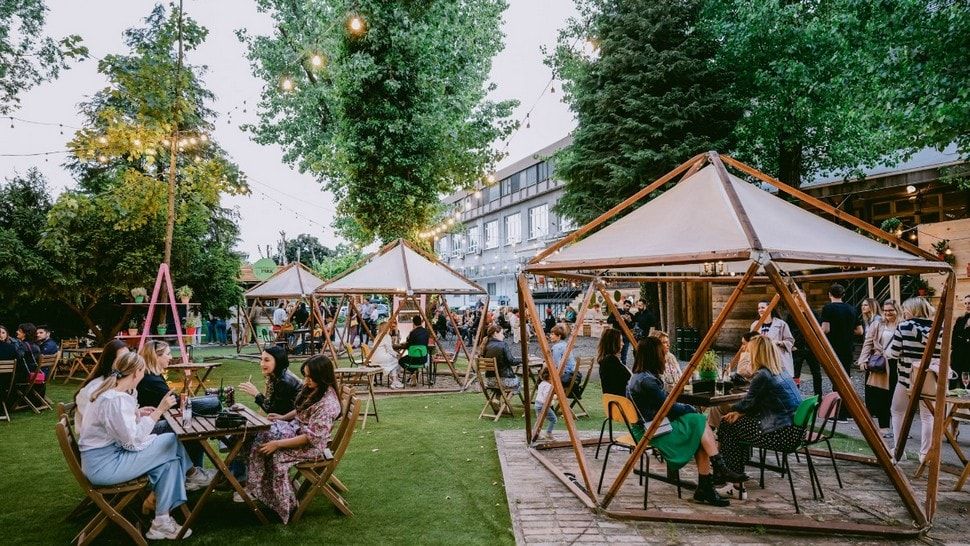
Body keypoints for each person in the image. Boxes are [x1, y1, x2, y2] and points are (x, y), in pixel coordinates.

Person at [77, 352, 192, 540]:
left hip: (103, 459)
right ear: (137, 372)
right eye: (143, 371)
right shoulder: (116, 399)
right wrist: (160, 411)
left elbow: (116, 426)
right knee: (171, 439)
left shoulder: (111, 393)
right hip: (105, 467)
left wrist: (137, 413)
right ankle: (191, 474)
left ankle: (161, 521)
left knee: (168, 463)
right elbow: (131, 441)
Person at [627, 337, 747, 506]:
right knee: (697, 419)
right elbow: (670, 408)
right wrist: (690, 408)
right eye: (662, 353)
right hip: (653, 431)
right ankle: (718, 469)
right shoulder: (648, 382)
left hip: (650, 425)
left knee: (699, 430)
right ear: (654, 356)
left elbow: (665, 406)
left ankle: (706, 486)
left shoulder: (640, 376)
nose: (665, 355)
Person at [244, 355, 342, 522]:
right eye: (305, 375)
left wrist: (277, 444)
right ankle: (263, 491)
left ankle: (284, 505)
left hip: (311, 446)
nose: (305, 381)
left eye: (310, 377)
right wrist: (283, 418)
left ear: (322, 377)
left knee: (273, 452)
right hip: (298, 432)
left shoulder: (328, 405)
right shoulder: (317, 389)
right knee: (260, 434)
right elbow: (301, 410)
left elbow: (311, 438)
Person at [716, 336, 804, 481]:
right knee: (735, 422)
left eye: (750, 352)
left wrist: (734, 409)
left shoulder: (763, 375)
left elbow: (747, 403)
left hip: (781, 433)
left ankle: (731, 476)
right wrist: (740, 412)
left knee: (727, 423)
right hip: (796, 431)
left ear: (758, 354)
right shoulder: (781, 371)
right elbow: (755, 404)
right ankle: (733, 469)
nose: (748, 355)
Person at [136, 341, 212, 488]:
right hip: (150, 428)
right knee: (201, 418)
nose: (171, 357)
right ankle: (193, 475)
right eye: (168, 354)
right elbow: (174, 401)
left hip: (153, 422)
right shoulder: (150, 379)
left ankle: (194, 473)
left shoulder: (151, 376)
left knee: (193, 425)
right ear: (156, 356)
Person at [888, 297, 941, 463]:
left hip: (906, 377)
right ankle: (925, 454)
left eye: (905, 309)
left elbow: (893, 353)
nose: (903, 312)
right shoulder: (939, 328)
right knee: (928, 417)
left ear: (912, 310)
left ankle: (899, 450)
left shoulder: (904, 326)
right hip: (930, 378)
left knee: (897, 412)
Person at [858, 299, 899, 440]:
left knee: (897, 397)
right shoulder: (877, 324)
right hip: (881, 363)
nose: (887, 313)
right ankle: (884, 427)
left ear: (896, 310)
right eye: (885, 310)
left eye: (890, 310)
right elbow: (868, 343)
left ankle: (899, 428)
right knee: (882, 396)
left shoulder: (902, 324)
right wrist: (863, 360)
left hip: (898, 364)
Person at [73, 339, 129, 432]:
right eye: (122, 359)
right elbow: (106, 424)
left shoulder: (119, 383)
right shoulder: (97, 387)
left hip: (110, 437)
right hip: (98, 440)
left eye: (128, 357)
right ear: (110, 361)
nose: (128, 362)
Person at [238, 346, 302, 415]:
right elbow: (269, 404)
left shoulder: (284, 382)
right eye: (261, 359)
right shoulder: (276, 374)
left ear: (278, 361)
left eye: (267, 360)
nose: (262, 364)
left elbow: (273, 411)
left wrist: (256, 394)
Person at [786, 289, 822, 397]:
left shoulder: (812, 313)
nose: (798, 300)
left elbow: (818, 329)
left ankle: (818, 395)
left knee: (816, 373)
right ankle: (795, 396)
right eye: (796, 298)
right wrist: (792, 345)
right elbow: (789, 331)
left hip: (812, 347)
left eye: (801, 297)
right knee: (795, 374)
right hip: (798, 347)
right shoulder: (791, 315)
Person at [751, 301, 795, 376]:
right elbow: (751, 341)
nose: (760, 310)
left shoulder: (781, 324)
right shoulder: (755, 325)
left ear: (770, 309)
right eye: (758, 308)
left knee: (778, 379)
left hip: (776, 358)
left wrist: (779, 342)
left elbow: (790, 341)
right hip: (761, 358)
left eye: (762, 307)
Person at [478, 324, 521, 393]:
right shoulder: (503, 344)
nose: (503, 336)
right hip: (503, 381)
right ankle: (505, 402)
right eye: (501, 333)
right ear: (495, 333)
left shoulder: (485, 345)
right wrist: (522, 359)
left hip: (490, 381)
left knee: (501, 385)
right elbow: (512, 361)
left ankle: (497, 399)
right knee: (518, 380)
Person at [370, 320, 404, 388]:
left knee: (394, 360)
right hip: (381, 358)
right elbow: (390, 350)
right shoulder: (386, 336)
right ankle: (394, 380)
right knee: (396, 360)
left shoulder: (378, 336)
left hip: (374, 358)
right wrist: (396, 354)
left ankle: (394, 379)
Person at [597, 328, 629, 396]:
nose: (623, 344)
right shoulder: (610, 361)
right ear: (613, 343)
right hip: (621, 402)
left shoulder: (608, 360)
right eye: (620, 341)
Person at [950, 295, 970, 390]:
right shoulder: (960, 320)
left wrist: (962, 339)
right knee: (953, 385)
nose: (967, 305)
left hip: (968, 358)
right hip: (957, 357)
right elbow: (953, 339)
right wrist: (965, 340)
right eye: (965, 303)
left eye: (969, 303)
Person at [607, 300, 636, 365]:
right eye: (627, 306)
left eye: (629, 306)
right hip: (617, 336)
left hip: (626, 336)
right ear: (623, 305)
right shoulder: (616, 312)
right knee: (614, 352)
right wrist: (618, 319)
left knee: (624, 354)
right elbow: (608, 320)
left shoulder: (631, 315)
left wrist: (630, 321)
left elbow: (632, 327)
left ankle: (623, 368)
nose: (628, 308)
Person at [534, 367, 556, 441]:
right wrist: (554, 397)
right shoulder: (548, 386)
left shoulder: (541, 384)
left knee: (539, 420)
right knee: (553, 419)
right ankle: (548, 433)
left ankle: (536, 433)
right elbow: (547, 396)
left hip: (537, 404)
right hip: (543, 405)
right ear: (550, 377)